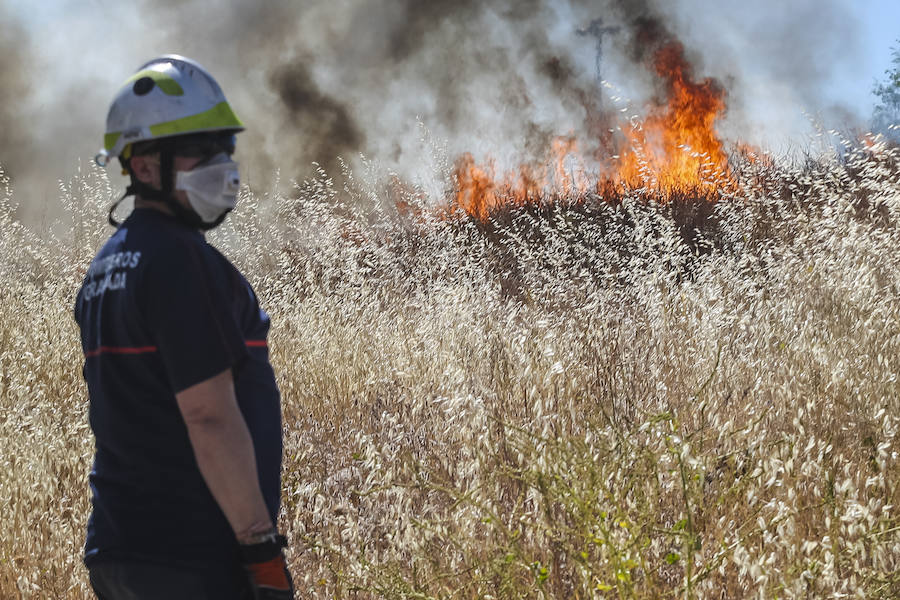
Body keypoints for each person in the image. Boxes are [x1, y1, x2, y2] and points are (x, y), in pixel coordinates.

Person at [75, 55, 294, 599]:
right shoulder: (178, 260)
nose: (222, 163)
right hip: (191, 557)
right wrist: (260, 549)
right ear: (144, 166)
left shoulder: (106, 268)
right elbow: (208, 414)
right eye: (200, 148)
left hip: (123, 553)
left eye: (224, 146)